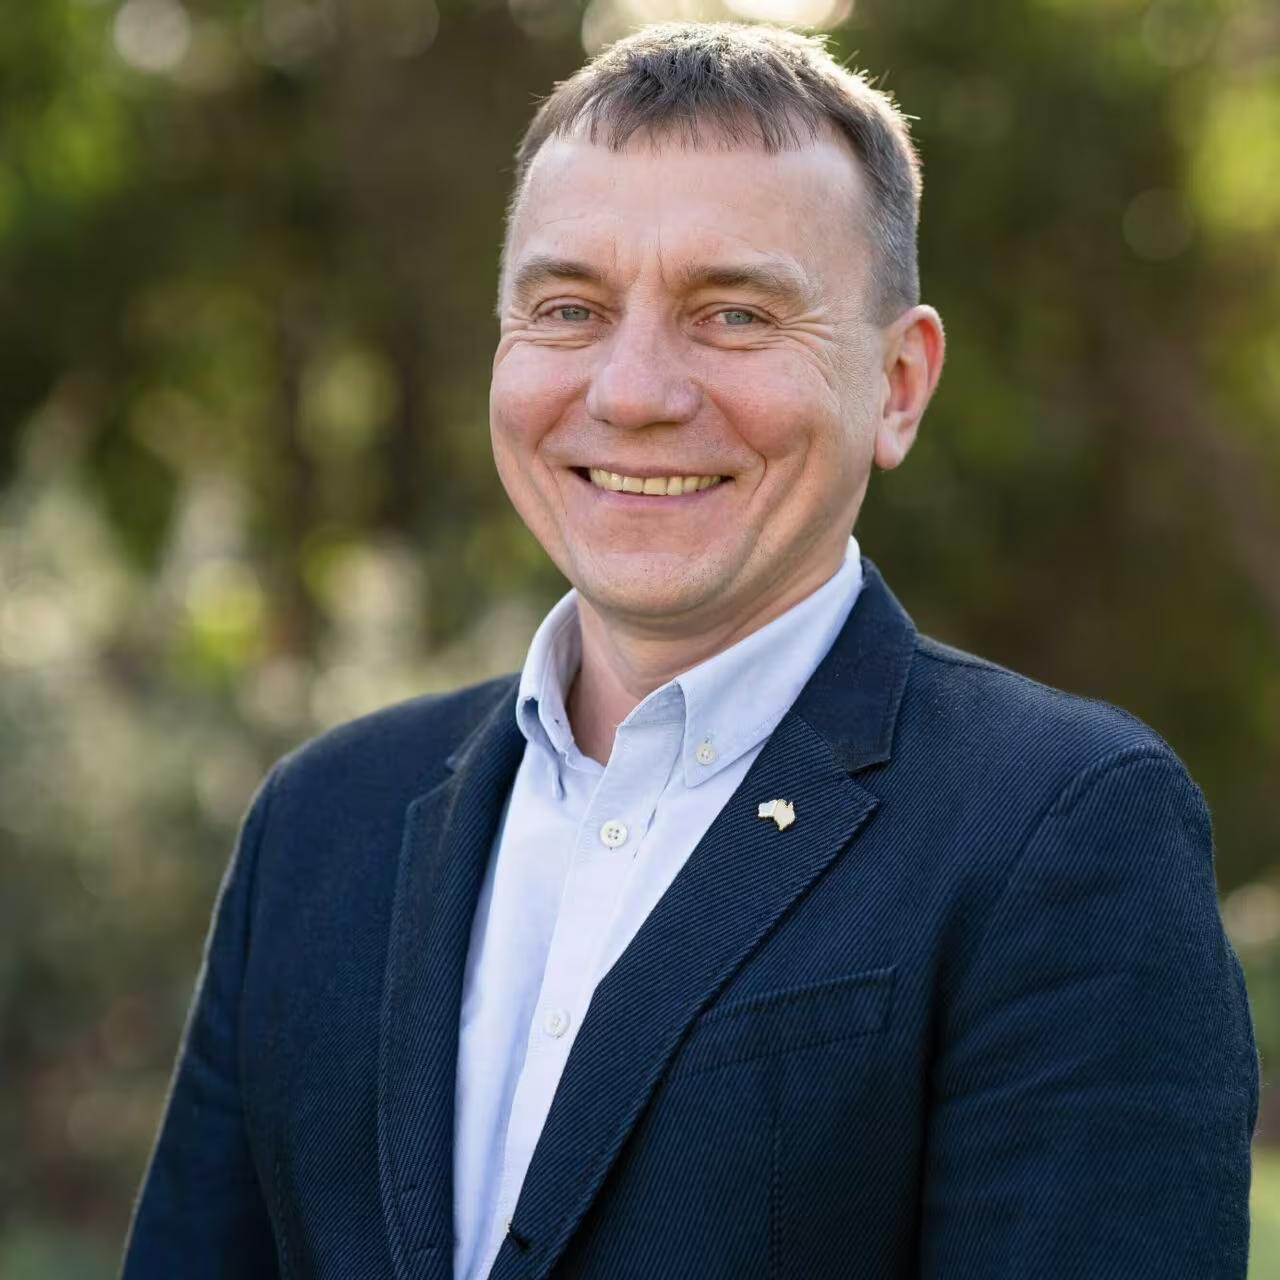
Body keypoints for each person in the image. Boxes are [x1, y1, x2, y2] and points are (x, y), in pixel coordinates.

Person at [121, 22, 1258, 1280]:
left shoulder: (1062, 828)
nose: (632, 391)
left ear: (896, 383)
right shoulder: (320, 822)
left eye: (732, 313)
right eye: (568, 308)